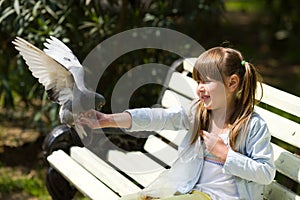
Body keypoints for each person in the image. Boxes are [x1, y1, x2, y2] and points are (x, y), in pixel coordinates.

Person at [77, 47, 276, 200]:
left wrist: (226, 155)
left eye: (206, 81)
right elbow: (157, 117)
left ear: (232, 83)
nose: (199, 89)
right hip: (190, 193)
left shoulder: (252, 126)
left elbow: (266, 173)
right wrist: (108, 120)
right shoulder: (198, 113)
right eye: (198, 82)